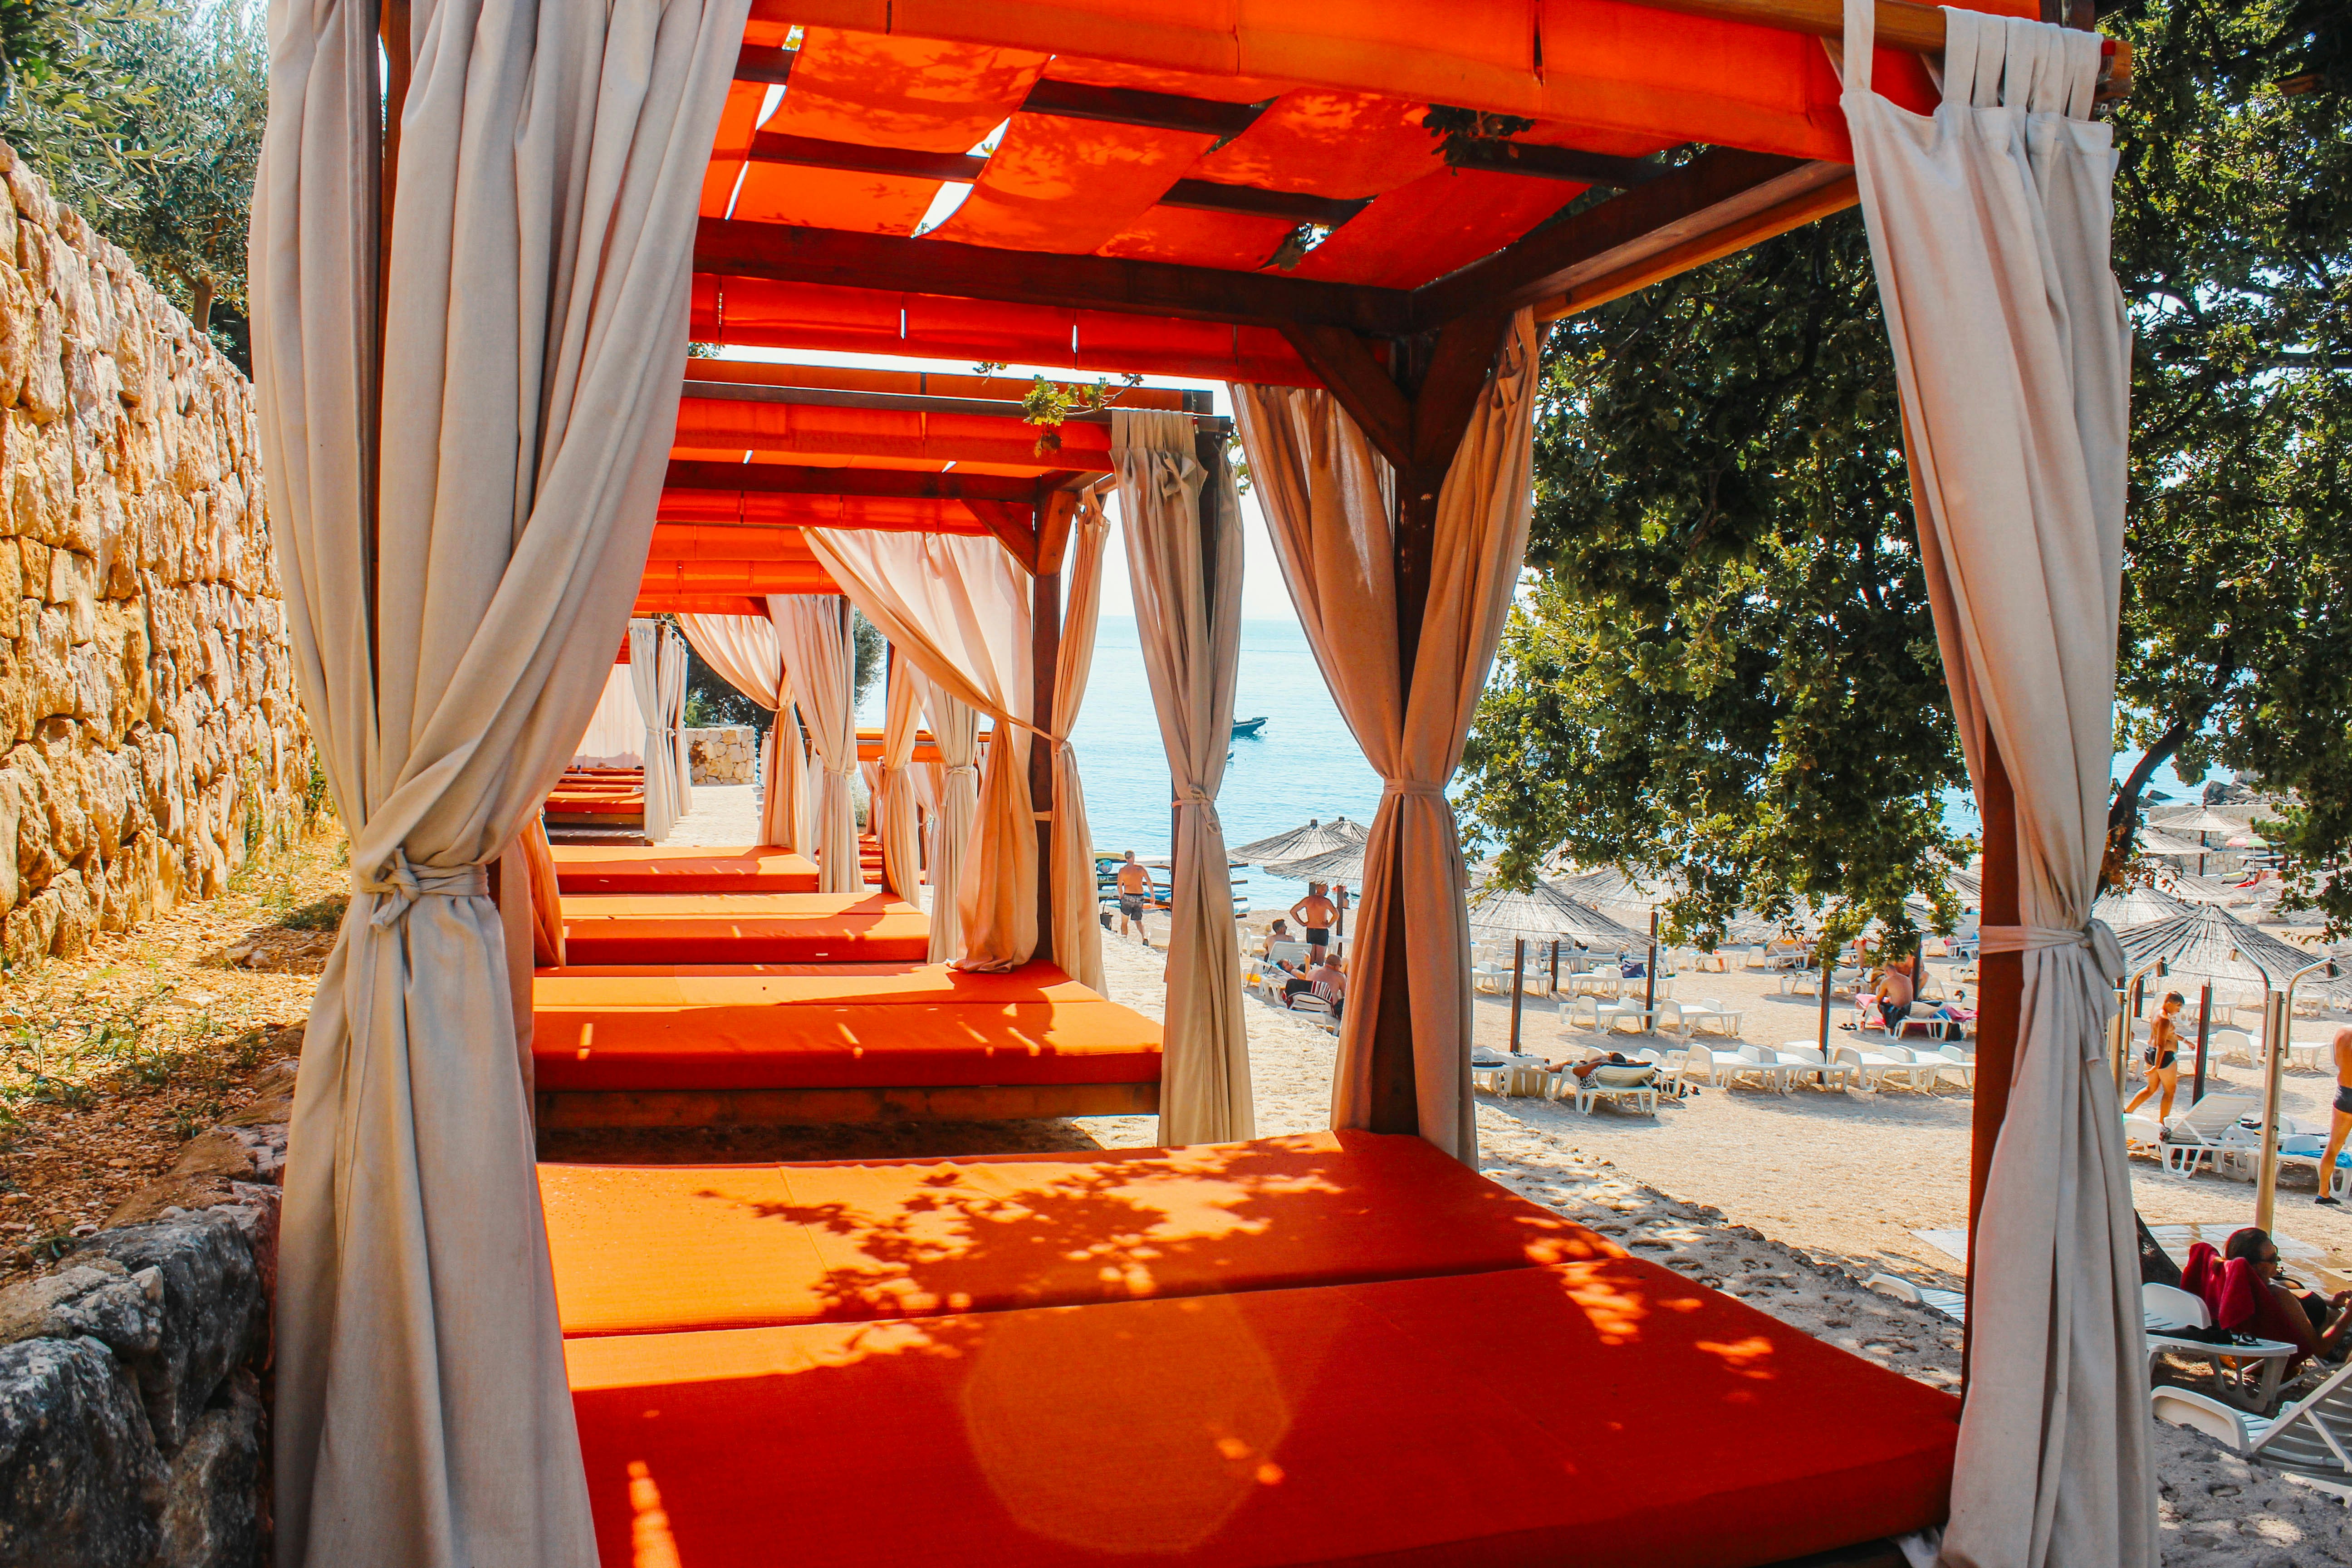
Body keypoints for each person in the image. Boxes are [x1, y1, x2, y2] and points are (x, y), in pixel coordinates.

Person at [2180, 1229, 2352, 1372]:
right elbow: (2319, 1348)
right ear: (2256, 1266)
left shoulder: (2242, 1287)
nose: (2278, 1261)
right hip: (2338, 1343)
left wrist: (2330, 1302)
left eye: (2276, 1253)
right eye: (2273, 1259)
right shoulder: (2279, 1295)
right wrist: (2348, 1315)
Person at [2123, 992, 2188, 1123]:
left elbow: (2168, 1034)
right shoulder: (2165, 1019)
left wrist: (2185, 1040)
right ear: (2169, 1003)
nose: (2179, 1010)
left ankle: (2126, 1112)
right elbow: (2161, 1045)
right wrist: (2156, 1067)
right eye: (2178, 1006)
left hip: (2150, 1052)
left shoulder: (2157, 1013)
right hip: (2163, 1057)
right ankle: (2163, 1124)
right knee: (2170, 1092)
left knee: (2151, 1089)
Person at [2314, 1025, 2352, 1206]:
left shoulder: (2342, 1033)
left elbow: (2338, 1062)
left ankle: (2323, 1193)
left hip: (2344, 1093)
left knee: (2333, 1146)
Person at [1113, 851, 1154, 947]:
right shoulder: (1140, 868)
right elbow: (1149, 881)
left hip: (1128, 895)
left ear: (1126, 858)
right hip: (1139, 896)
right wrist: (1153, 895)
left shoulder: (1123, 871)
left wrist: (1121, 895)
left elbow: (1119, 886)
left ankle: (1124, 939)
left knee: (1124, 921)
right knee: (1138, 920)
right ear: (1133, 857)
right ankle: (1144, 937)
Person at [1289, 882, 1338, 960]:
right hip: (1322, 930)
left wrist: (1302, 923)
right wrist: (1329, 924)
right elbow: (1336, 914)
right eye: (1327, 889)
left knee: (1311, 959)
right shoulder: (1326, 901)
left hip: (1311, 930)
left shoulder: (1308, 900)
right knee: (1320, 960)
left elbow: (1293, 911)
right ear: (1323, 889)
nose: (1327, 890)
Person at [1872, 952, 1916, 1034]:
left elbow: (1879, 999)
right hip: (1910, 1008)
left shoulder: (1887, 981)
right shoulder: (1907, 979)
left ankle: (1890, 1030)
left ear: (1887, 972)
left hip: (1898, 1011)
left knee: (1880, 1005)